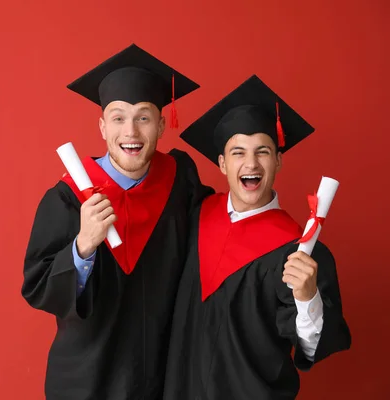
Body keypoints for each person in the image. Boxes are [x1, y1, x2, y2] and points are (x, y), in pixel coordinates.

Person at [21, 43, 212, 400]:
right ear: (102, 126)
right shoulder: (67, 199)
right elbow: (38, 286)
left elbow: (215, 236)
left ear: (160, 124)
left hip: (162, 375)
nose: (131, 132)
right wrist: (82, 247)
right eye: (119, 117)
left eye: (143, 117)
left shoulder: (180, 181)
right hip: (90, 378)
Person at [163, 75, 351, 400]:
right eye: (238, 152)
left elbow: (310, 347)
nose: (251, 163)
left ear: (278, 160)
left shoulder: (296, 250)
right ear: (222, 164)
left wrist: (307, 297)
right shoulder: (195, 214)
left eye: (262, 151)